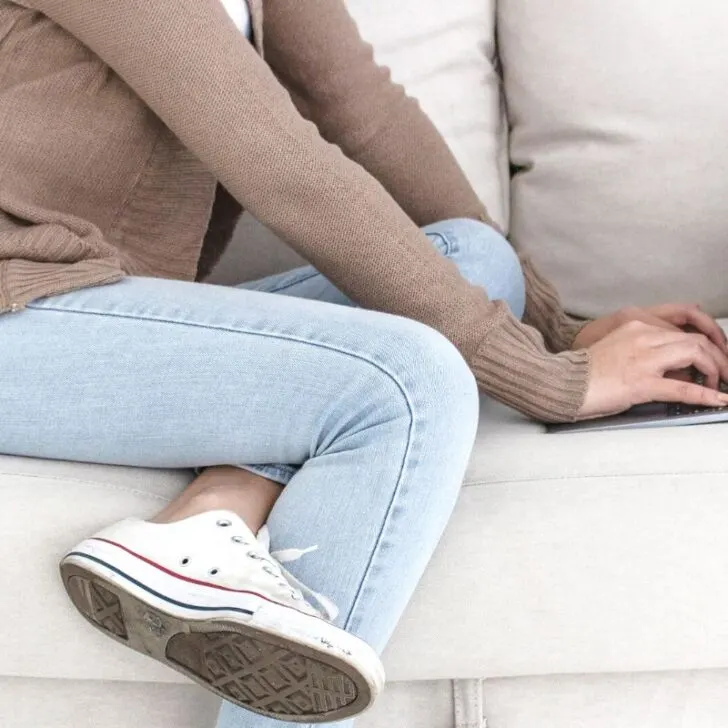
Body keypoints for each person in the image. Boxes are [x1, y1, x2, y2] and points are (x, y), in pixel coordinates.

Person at [2, 0, 728, 727]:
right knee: (406, 385)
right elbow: (277, 159)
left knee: (473, 259)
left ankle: (208, 514)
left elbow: (364, 111)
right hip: (19, 315)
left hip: (90, 308)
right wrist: (552, 381)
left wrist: (551, 326)